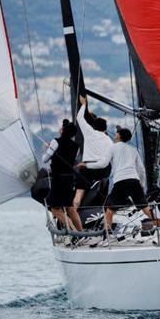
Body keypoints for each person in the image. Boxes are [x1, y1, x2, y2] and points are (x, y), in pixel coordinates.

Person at [81, 126, 153, 234]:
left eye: (117, 133)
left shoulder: (113, 148)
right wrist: (141, 185)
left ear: (119, 135)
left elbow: (103, 164)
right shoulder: (133, 150)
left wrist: (86, 165)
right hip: (134, 180)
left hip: (121, 181)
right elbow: (141, 170)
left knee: (109, 210)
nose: (115, 134)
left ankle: (107, 235)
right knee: (145, 207)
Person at [72, 95, 113, 227]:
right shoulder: (109, 141)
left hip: (86, 170)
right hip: (102, 171)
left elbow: (79, 118)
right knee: (107, 172)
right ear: (105, 129)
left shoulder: (89, 133)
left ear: (94, 127)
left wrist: (83, 104)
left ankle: (73, 218)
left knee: (78, 195)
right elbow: (106, 162)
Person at [42, 119, 80, 230]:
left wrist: (48, 149)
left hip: (59, 180)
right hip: (70, 179)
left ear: (63, 130)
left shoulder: (56, 141)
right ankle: (81, 232)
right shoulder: (76, 146)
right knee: (70, 208)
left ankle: (74, 232)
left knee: (55, 209)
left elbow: (45, 159)